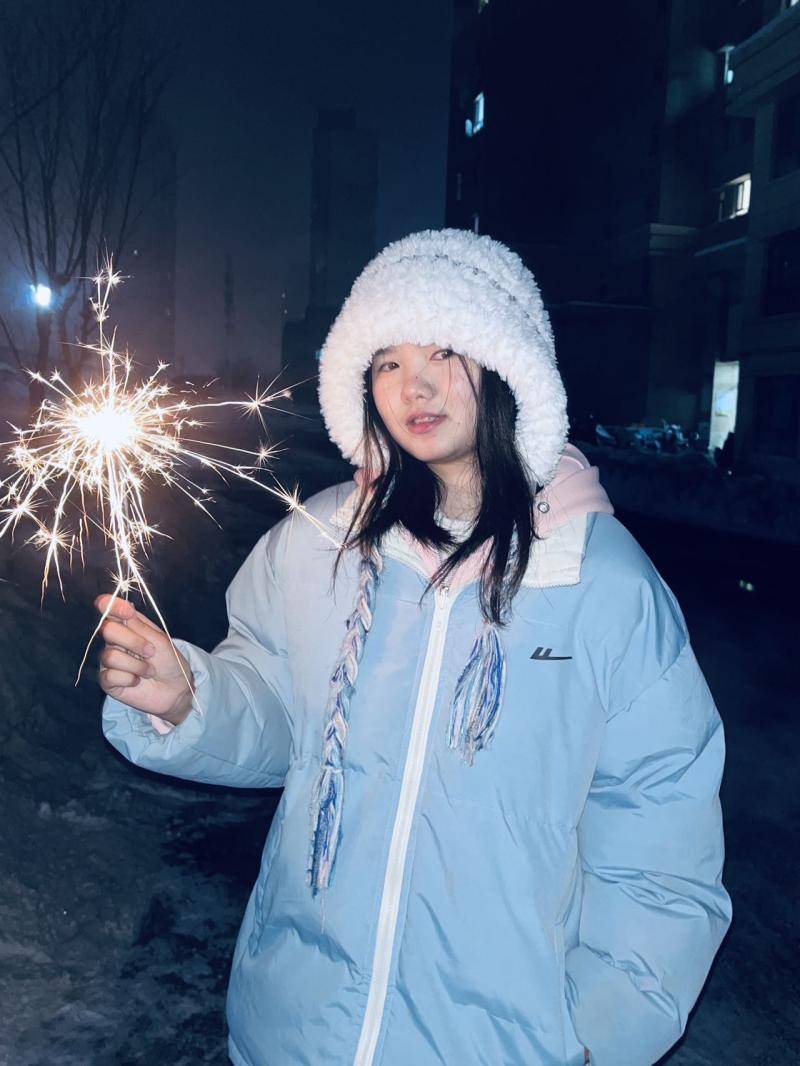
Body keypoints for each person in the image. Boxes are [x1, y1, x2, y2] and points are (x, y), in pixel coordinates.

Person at [98, 229, 732, 1066]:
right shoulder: (318, 543)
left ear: (507, 367)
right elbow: (284, 719)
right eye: (388, 360)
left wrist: (597, 1037)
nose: (415, 385)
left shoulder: (603, 584)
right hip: (298, 1034)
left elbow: (661, 846)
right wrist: (192, 699)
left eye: (444, 350)